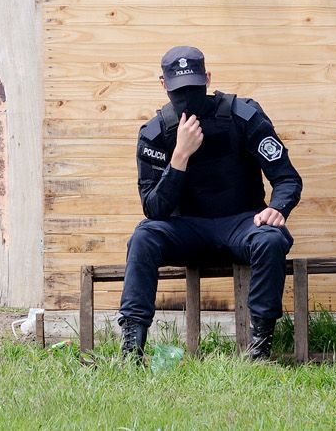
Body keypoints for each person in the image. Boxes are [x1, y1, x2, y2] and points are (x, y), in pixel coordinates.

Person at [119, 46, 302, 362]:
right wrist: (180, 156)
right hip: (187, 228)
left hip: (242, 222)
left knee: (271, 239)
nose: (188, 96)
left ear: (208, 79)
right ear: (163, 85)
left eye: (194, 87)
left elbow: (287, 178)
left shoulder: (242, 115)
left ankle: (259, 349)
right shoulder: (157, 132)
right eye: (179, 90)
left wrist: (278, 208)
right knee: (144, 236)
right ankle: (131, 349)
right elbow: (154, 208)